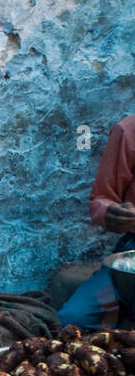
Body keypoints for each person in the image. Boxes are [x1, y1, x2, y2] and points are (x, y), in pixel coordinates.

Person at [57, 114, 135, 327]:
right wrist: (111, 213)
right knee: (73, 318)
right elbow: (102, 198)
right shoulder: (128, 131)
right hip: (131, 256)